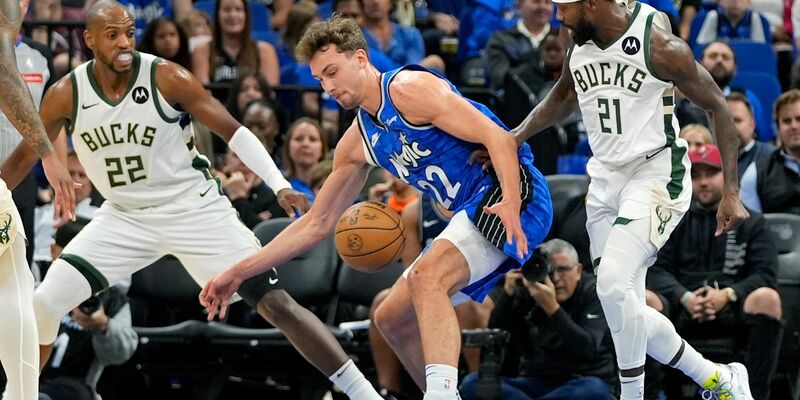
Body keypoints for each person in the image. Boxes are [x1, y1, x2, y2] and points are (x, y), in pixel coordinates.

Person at [0, 2, 382, 399]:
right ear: (89, 39)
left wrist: (278, 182)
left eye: (129, 33)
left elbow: (233, 131)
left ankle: (364, 394)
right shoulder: (66, 93)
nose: (124, 43)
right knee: (42, 305)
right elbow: (27, 155)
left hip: (194, 209)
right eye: (112, 35)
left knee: (276, 304)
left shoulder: (167, 77)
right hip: (124, 217)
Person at [200, 16, 553, 400]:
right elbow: (316, 224)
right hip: (470, 209)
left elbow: (498, 137)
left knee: (426, 278)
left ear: (361, 59)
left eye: (333, 71)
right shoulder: (358, 142)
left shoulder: (409, 89)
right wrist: (237, 272)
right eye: (320, 79)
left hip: (510, 194)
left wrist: (511, 205)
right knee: (391, 318)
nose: (329, 86)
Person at [509, 0, 752, 397]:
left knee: (612, 286)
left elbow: (716, 106)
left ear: (591, 4)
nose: (558, 17)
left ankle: (632, 395)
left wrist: (731, 190)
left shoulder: (658, 44)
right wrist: (516, 135)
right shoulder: (577, 41)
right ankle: (718, 378)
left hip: (655, 174)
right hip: (604, 181)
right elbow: (565, 95)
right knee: (622, 304)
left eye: (564, 7)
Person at [646, 144, 782, 399]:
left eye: (711, 173)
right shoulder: (672, 222)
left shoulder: (753, 222)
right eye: (696, 176)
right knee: (644, 301)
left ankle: (755, 394)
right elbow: (656, 270)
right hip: (682, 308)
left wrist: (729, 294)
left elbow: (765, 274)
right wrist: (683, 297)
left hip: (733, 309)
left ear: (728, 176)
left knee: (767, 298)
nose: (703, 182)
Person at [0, 0, 77, 398]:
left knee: (18, 280)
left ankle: (18, 389)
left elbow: (51, 120)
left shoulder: (39, 56)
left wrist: (55, 168)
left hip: (18, 177)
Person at [460, 239, 617, 400]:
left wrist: (552, 308)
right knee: (473, 383)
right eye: (549, 271)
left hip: (581, 379)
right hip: (535, 383)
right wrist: (508, 294)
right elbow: (499, 331)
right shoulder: (532, 285)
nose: (555, 278)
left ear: (578, 270)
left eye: (563, 269)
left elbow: (586, 349)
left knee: (594, 391)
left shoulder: (593, 292)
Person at [40, 219, 138, 400]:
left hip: (75, 385)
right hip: (24, 372)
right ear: (54, 251)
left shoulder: (112, 298)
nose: (79, 267)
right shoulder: (35, 280)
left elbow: (121, 354)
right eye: (72, 257)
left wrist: (103, 326)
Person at [739, 89, 800, 215]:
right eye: (787, 121)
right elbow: (751, 227)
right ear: (778, 128)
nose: (794, 126)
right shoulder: (756, 173)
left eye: (799, 119)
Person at [726, 92, 774, 178]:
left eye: (737, 120)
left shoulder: (771, 157)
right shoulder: (707, 157)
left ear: (752, 124)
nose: (731, 128)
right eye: (725, 121)